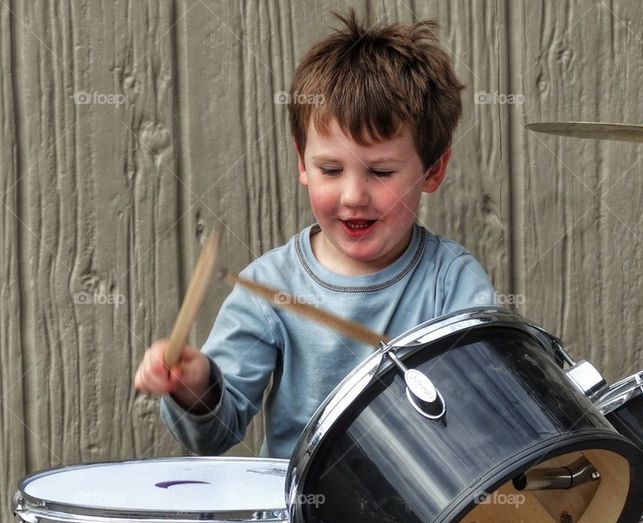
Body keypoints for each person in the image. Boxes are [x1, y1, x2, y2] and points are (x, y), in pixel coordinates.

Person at [134, 11, 495, 458]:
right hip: (299, 520)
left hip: (423, 519)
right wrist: (196, 387)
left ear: (433, 170)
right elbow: (214, 435)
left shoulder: (452, 281)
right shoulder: (270, 287)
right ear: (302, 163)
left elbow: (485, 417)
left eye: (380, 172)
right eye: (329, 169)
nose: (353, 196)